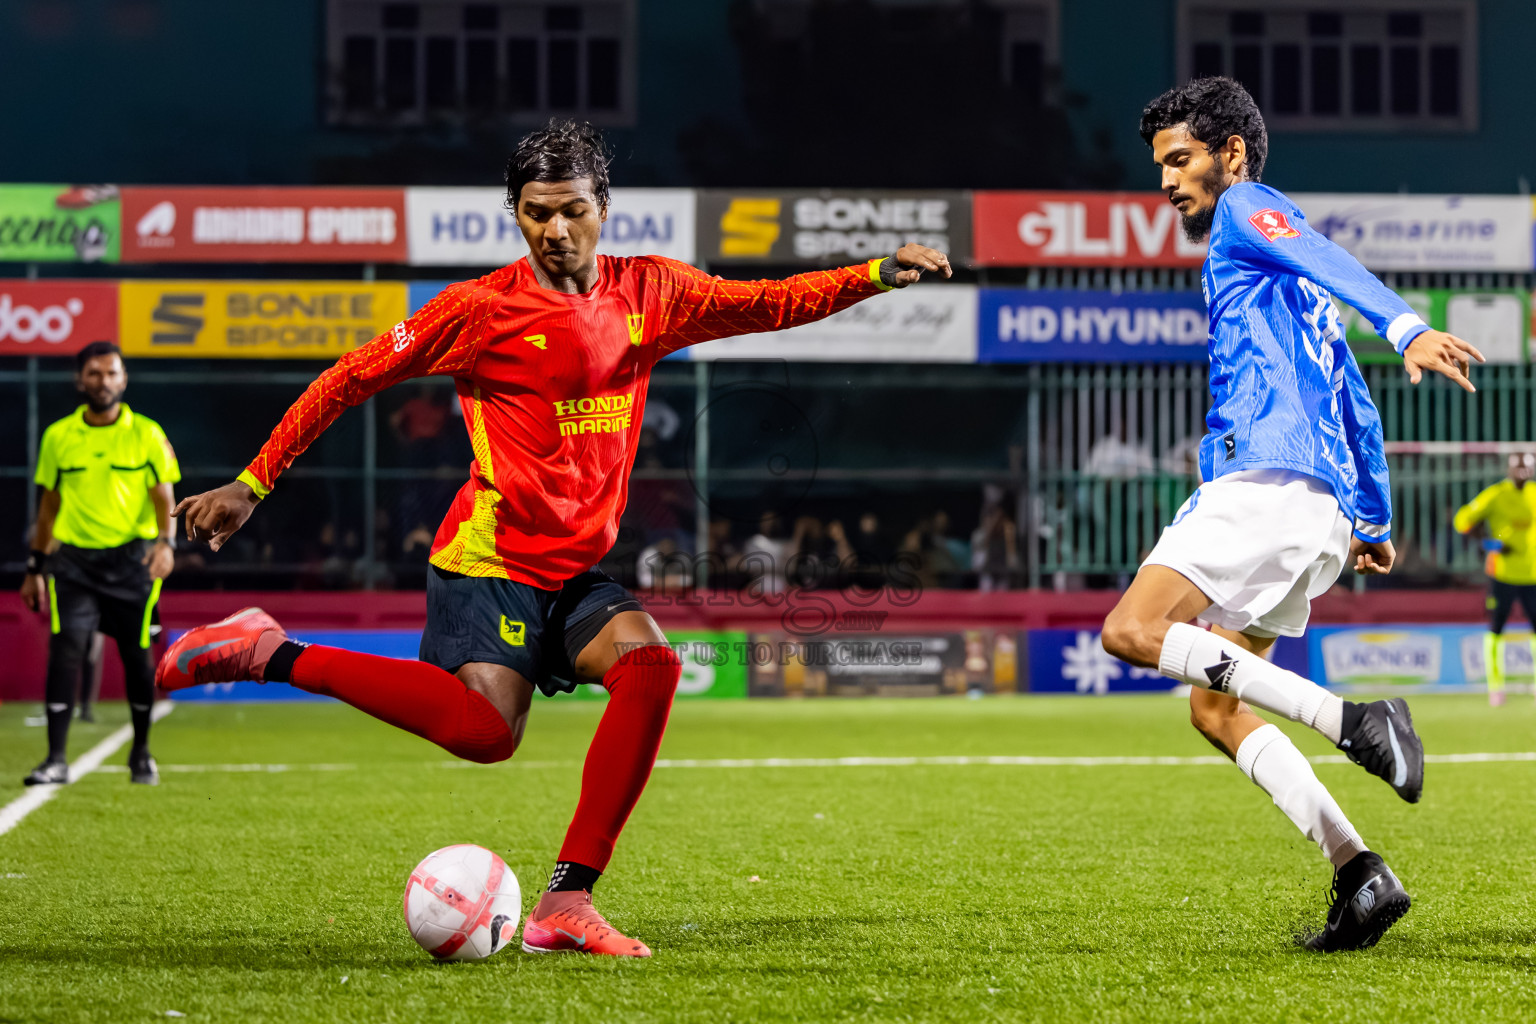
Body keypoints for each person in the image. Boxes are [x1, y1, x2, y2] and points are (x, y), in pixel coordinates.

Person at [156, 119, 951, 958]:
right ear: (517, 213)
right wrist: (252, 482)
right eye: (537, 212)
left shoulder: (652, 292)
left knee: (651, 668)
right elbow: (352, 376)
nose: (556, 229)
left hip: (572, 566)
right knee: (487, 736)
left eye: (572, 209)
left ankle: (567, 902)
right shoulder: (479, 310)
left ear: (604, 208)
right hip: (490, 559)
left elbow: (768, 303)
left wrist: (874, 273)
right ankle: (267, 653)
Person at [1101, 78, 1484, 952]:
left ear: (1230, 153)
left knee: (1130, 630)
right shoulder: (1299, 294)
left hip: (1264, 484)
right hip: (1318, 514)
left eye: (1179, 159)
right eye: (1160, 165)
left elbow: (1318, 249)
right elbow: (1355, 403)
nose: (1166, 181)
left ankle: (1355, 721)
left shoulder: (1247, 211)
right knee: (1215, 710)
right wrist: (1374, 520)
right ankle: (1360, 872)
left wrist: (1405, 327)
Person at [19, 341, 179, 786]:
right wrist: (34, 568)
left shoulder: (146, 433)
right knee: (66, 649)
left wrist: (167, 544)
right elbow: (48, 507)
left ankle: (141, 752)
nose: (103, 381)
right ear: (80, 380)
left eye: (111, 373)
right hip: (73, 563)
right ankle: (55, 759)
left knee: (137, 656)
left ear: (124, 379)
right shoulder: (58, 437)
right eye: (94, 373)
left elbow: (164, 498)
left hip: (133, 561)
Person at [1453, 452, 1536, 704]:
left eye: (1527, 468)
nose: (1523, 472)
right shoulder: (1496, 495)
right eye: (1518, 468)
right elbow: (1462, 521)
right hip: (1502, 574)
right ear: (1509, 469)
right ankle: (1496, 687)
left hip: (1532, 575)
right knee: (1496, 629)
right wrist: (1489, 543)